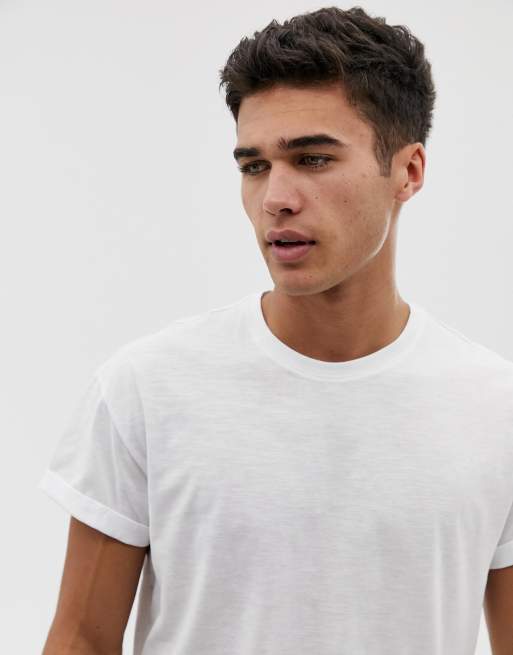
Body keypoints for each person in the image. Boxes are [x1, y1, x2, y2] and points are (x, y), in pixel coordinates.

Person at [39, 6, 513, 654]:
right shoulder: (145, 390)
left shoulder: (496, 408)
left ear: (408, 171)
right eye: (254, 165)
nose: (275, 199)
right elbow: (81, 640)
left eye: (312, 158)